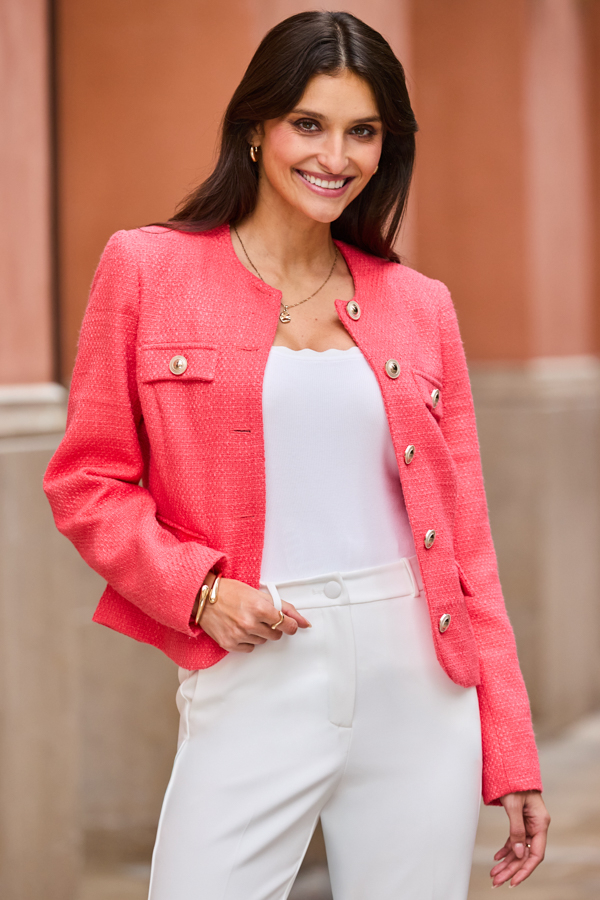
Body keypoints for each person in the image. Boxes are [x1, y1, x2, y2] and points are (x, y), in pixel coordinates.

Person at [44, 11, 550, 899]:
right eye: (308, 124)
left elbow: (467, 545)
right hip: (257, 661)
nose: (335, 156)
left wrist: (507, 743)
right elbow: (87, 482)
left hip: (419, 681)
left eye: (363, 132)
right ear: (256, 127)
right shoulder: (148, 269)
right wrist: (199, 590)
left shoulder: (419, 304)